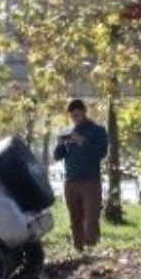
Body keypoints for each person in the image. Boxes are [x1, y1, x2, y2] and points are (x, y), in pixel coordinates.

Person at [53, 99, 109, 253]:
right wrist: (59, 144)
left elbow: (101, 153)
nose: (74, 118)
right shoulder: (68, 131)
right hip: (70, 181)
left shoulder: (98, 130)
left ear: (84, 112)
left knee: (91, 218)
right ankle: (79, 250)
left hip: (90, 181)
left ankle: (91, 248)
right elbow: (57, 156)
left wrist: (82, 141)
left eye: (77, 115)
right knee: (75, 219)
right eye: (72, 116)